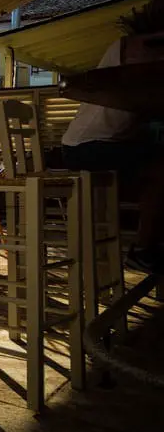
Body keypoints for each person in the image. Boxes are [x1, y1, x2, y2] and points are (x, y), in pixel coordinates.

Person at [62, 38, 164, 273]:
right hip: (88, 145)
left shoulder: (137, 47)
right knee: (159, 169)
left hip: (97, 144)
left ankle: (145, 245)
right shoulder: (137, 47)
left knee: (157, 165)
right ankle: (143, 248)